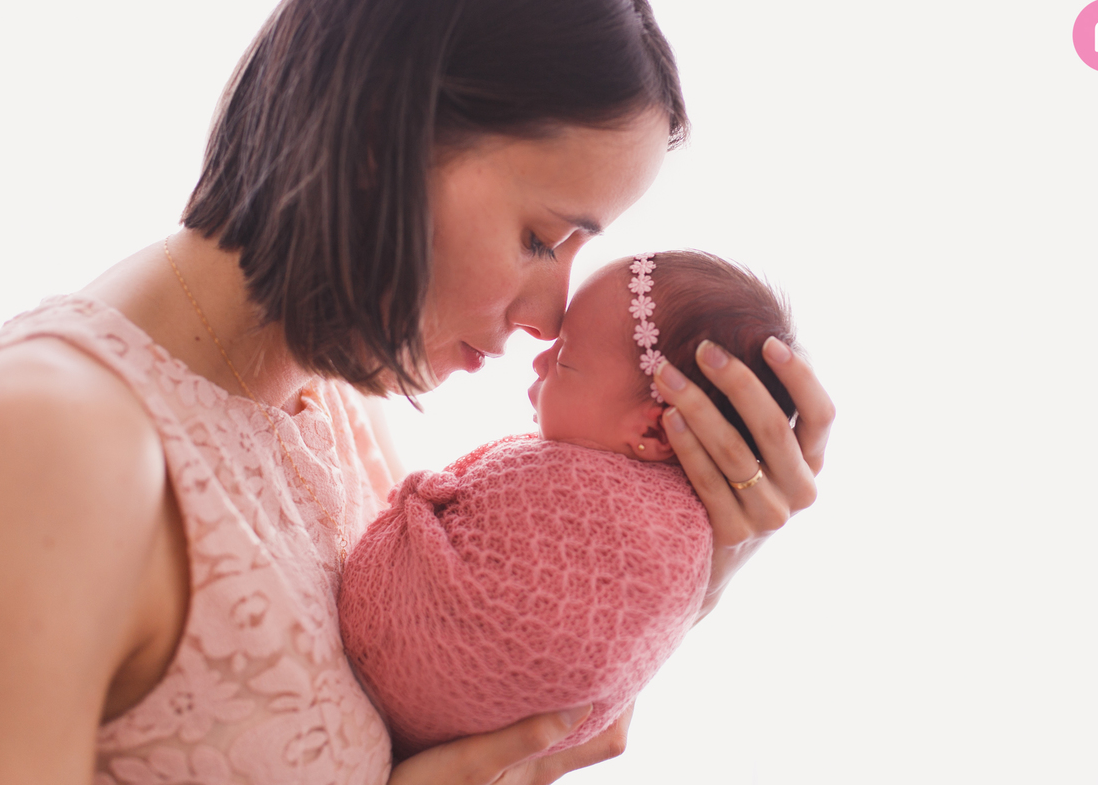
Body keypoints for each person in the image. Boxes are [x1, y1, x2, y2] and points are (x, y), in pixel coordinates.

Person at [0, 0, 834, 783]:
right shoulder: (47, 445)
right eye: (540, 238)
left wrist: (691, 561)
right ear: (382, 139)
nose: (549, 316)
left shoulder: (335, 407)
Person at [340, 250, 799, 761]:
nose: (539, 357)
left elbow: (585, 646)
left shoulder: (603, 504)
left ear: (653, 431)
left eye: (562, 361)